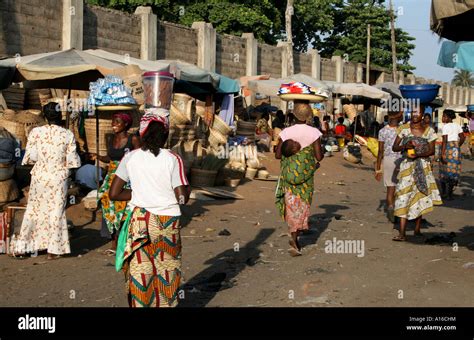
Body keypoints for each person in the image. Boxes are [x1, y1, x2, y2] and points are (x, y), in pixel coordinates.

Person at [109, 110, 190, 308]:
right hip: (166, 221)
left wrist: (139, 193)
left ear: (142, 134)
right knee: (167, 270)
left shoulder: (131, 158)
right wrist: (186, 188)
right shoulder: (173, 158)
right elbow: (182, 198)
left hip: (140, 220)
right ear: (165, 135)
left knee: (140, 271)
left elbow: (114, 194)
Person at [14, 102, 81, 259]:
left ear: (44, 116)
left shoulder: (35, 132)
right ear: (60, 116)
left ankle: (25, 246)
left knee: (35, 210)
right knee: (56, 211)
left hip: (40, 176)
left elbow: (31, 157)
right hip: (58, 178)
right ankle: (53, 250)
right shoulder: (67, 134)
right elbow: (73, 162)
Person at [275, 102, 324, 256]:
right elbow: (319, 157)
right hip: (306, 179)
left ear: (294, 115)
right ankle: (295, 236)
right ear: (308, 116)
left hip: (289, 177)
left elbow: (277, 155)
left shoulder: (286, 132)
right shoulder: (314, 132)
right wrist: (304, 156)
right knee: (302, 204)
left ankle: (294, 234)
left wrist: (291, 153)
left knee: (291, 205)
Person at [90, 112, 139, 254]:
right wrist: (98, 156)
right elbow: (110, 158)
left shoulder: (133, 139)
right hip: (111, 177)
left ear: (126, 124)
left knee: (123, 209)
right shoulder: (111, 138)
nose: (114, 125)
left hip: (127, 178)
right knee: (107, 207)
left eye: (117, 122)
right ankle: (113, 241)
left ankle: (125, 240)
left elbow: (139, 158)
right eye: (113, 122)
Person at [391, 106, 442, 241]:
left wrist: (418, 154)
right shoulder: (404, 129)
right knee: (403, 197)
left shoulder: (429, 131)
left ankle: (417, 229)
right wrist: (404, 147)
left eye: (418, 112)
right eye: (413, 112)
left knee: (420, 195)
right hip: (407, 167)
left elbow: (432, 151)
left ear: (422, 114)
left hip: (423, 167)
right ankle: (402, 233)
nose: (415, 115)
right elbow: (394, 147)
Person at [375, 110, 402, 223]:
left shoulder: (382, 131)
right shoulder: (402, 131)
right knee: (400, 188)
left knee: (390, 188)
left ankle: (391, 208)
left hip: (388, 160)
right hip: (401, 160)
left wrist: (378, 169)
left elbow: (380, 151)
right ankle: (398, 211)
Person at [439, 109, 465, 200]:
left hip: (447, 149)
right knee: (453, 171)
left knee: (443, 170)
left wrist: (442, 154)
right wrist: (457, 146)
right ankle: (449, 194)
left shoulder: (445, 126)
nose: (442, 118)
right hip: (455, 149)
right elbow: (462, 137)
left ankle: (443, 193)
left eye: (444, 116)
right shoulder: (457, 125)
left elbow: (444, 141)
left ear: (448, 117)